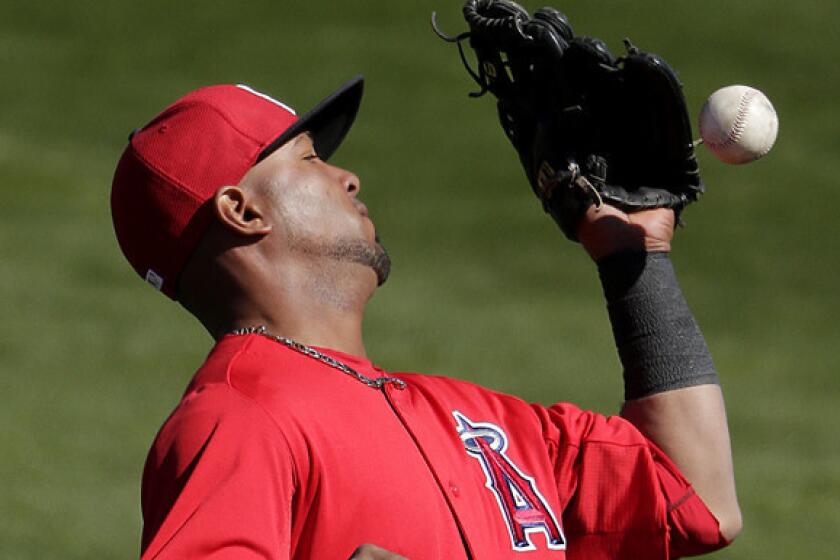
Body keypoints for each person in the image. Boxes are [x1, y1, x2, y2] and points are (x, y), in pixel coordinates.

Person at [111, 76, 741, 559]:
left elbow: (694, 500)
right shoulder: (240, 417)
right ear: (242, 212)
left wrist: (637, 259)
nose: (349, 178)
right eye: (309, 159)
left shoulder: (474, 424)